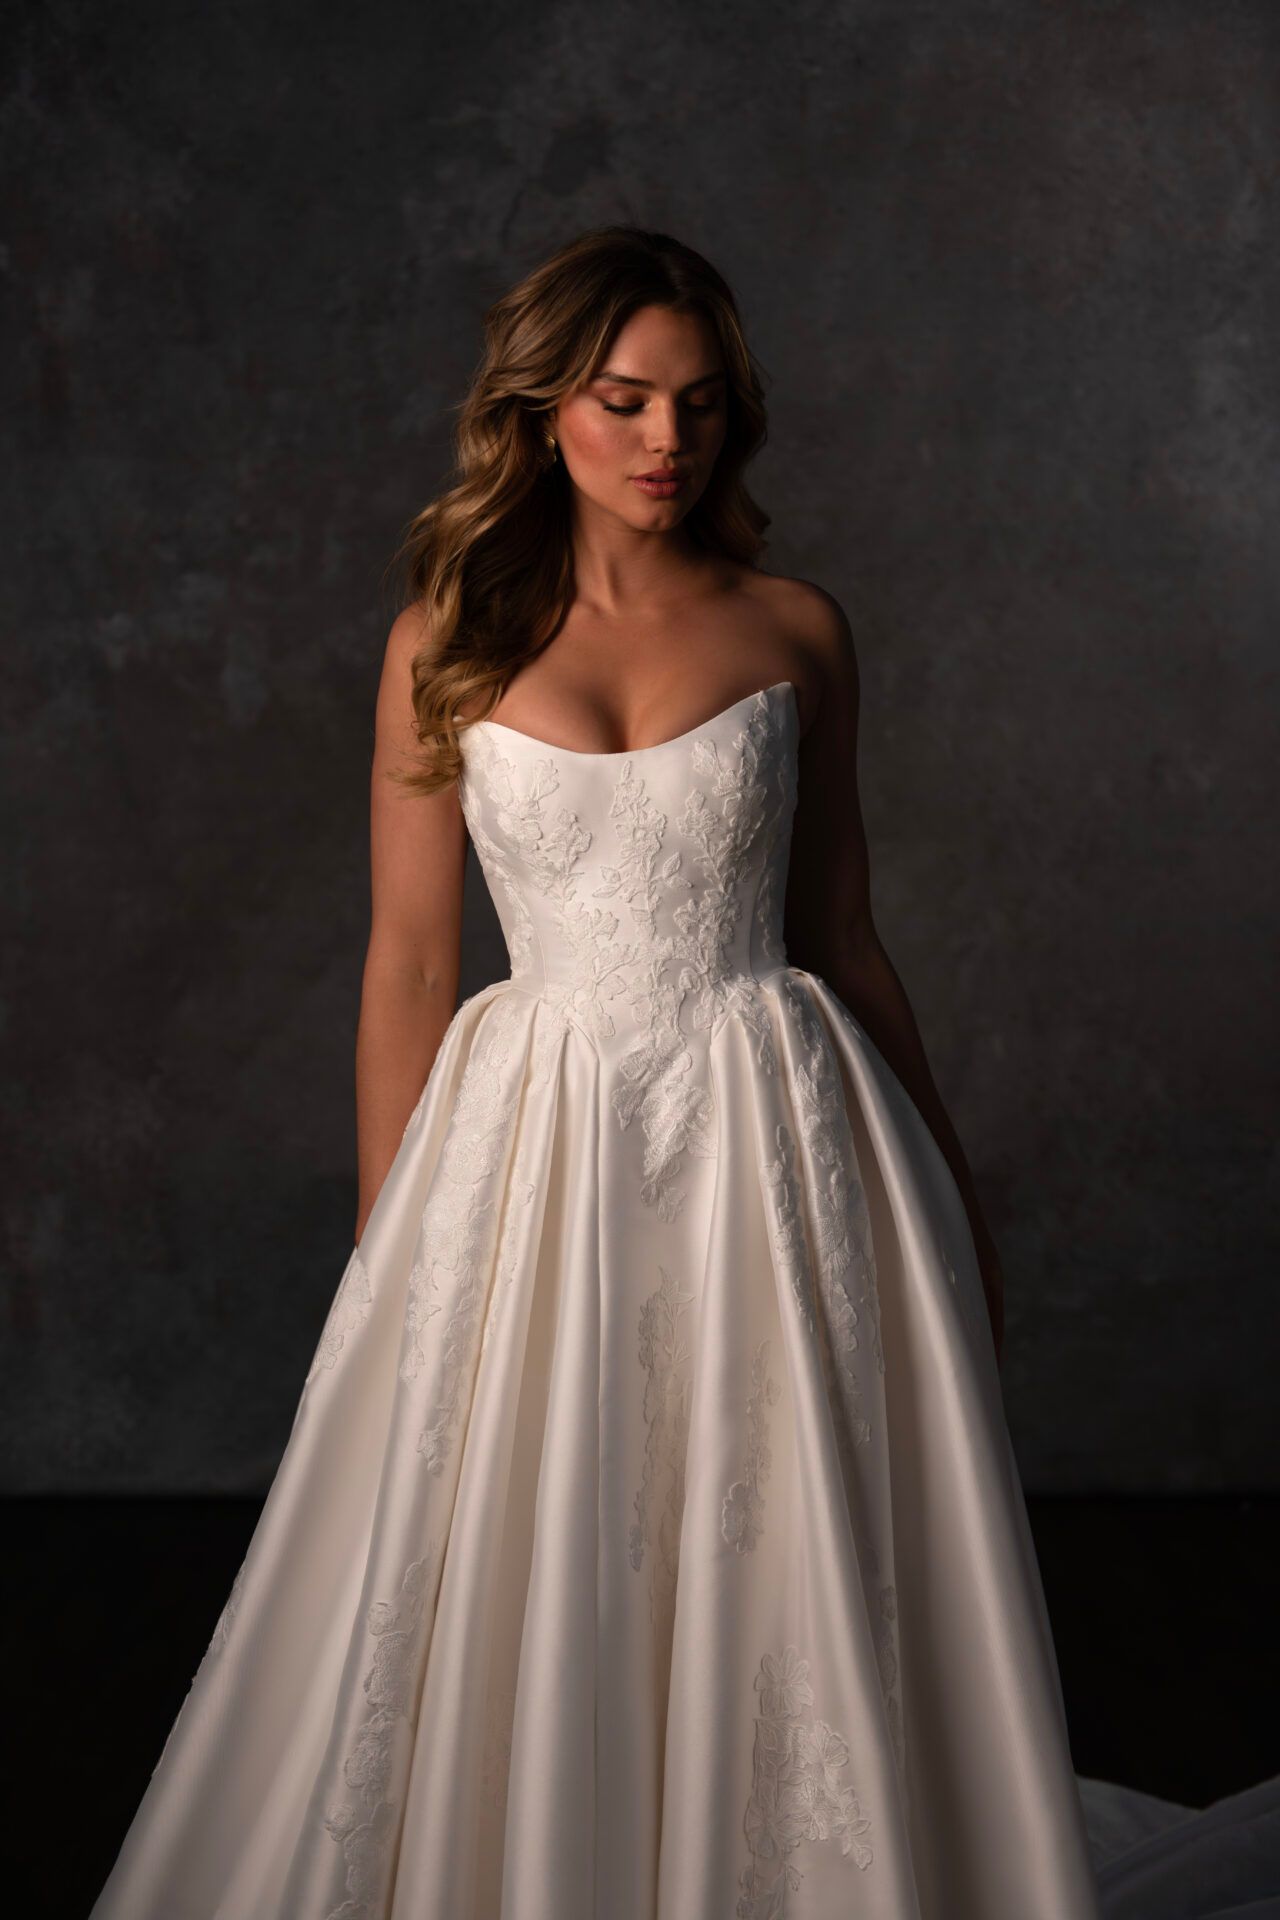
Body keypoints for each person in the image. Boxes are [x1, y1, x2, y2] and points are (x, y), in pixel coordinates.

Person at [91, 223, 1106, 1918]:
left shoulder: (797, 631)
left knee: (768, 1536)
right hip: (540, 1135)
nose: (664, 443)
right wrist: (387, 1258)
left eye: (698, 406)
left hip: (773, 1127)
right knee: (545, 1528)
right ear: (541, 410)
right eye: (622, 400)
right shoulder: (448, 642)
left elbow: (845, 937)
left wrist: (951, 1194)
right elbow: (413, 964)